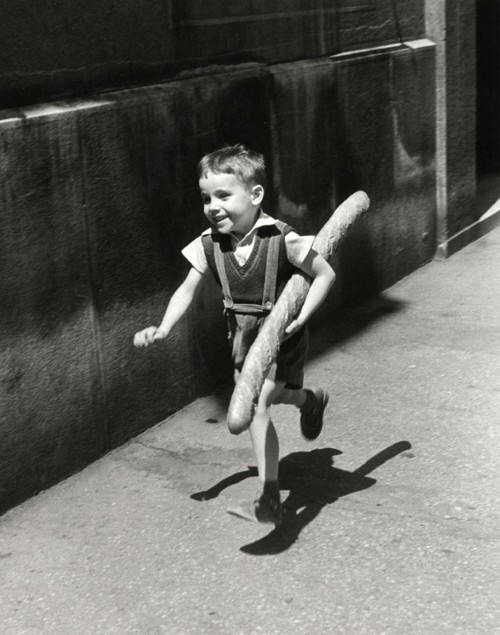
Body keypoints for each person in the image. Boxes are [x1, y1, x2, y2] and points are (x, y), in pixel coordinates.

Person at [134, 145, 336, 526]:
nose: (213, 206)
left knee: (257, 406)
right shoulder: (209, 243)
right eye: (206, 197)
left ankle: (270, 498)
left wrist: (302, 316)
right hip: (242, 339)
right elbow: (187, 289)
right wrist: (163, 327)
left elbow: (324, 274)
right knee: (271, 398)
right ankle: (310, 401)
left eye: (223, 195)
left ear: (255, 195)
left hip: (280, 336)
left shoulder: (281, 238)